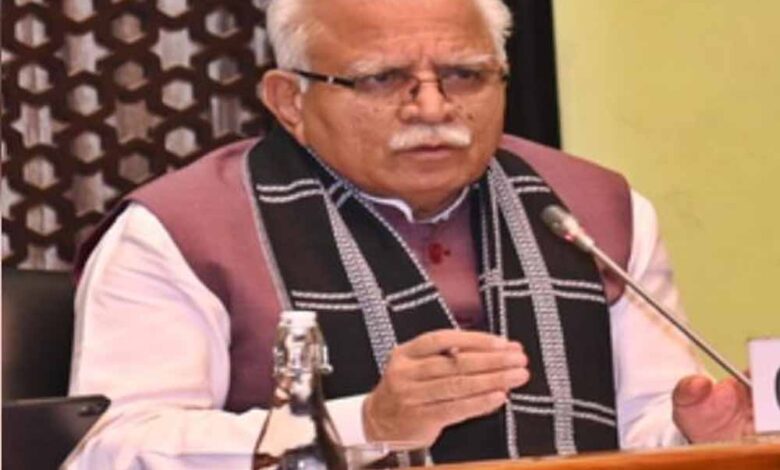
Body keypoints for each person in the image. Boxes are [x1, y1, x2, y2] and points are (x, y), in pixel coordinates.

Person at [67, 0, 753, 468]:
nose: (432, 107)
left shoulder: (593, 211)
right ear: (289, 101)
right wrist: (366, 425)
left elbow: (639, 426)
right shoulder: (181, 230)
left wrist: (697, 437)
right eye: (382, 79)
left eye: (464, 75)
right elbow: (109, 451)